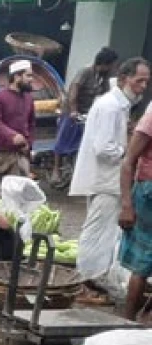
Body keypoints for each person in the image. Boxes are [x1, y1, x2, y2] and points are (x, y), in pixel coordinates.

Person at [70, 58, 149, 299]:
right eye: (139, 81)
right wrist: (130, 154)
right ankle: (83, 283)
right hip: (105, 180)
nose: (143, 86)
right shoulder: (110, 106)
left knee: (104, 233)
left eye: (147, 81)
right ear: (124, 79)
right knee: (96, 232)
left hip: (109, 180)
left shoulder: (119, 105)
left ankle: (93, 280)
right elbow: (104, 148)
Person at [55, 48, 118, 184]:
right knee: (63, 138)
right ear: (105, 63)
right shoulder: (86, 71)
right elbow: (74, 90)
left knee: (84, 141)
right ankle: (56, 170)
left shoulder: (104, 76)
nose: (114, 68)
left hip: (87, 111)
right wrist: (73, 110)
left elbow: (107, 94)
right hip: (71, 109)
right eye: (112, 64)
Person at [118, 94, 152, 320]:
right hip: (148, 194)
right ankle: (127, 321)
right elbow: (128, 161)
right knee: (142, 262)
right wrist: (126, 205)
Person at [0, 60, 36, 183]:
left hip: (21, 154)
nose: (32, 80)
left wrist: (28, 143)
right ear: (17, 76)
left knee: (20, 190)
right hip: (1, 153)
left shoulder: (29, 98)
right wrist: (12, 135)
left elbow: (31, 124)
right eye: (28, 75)